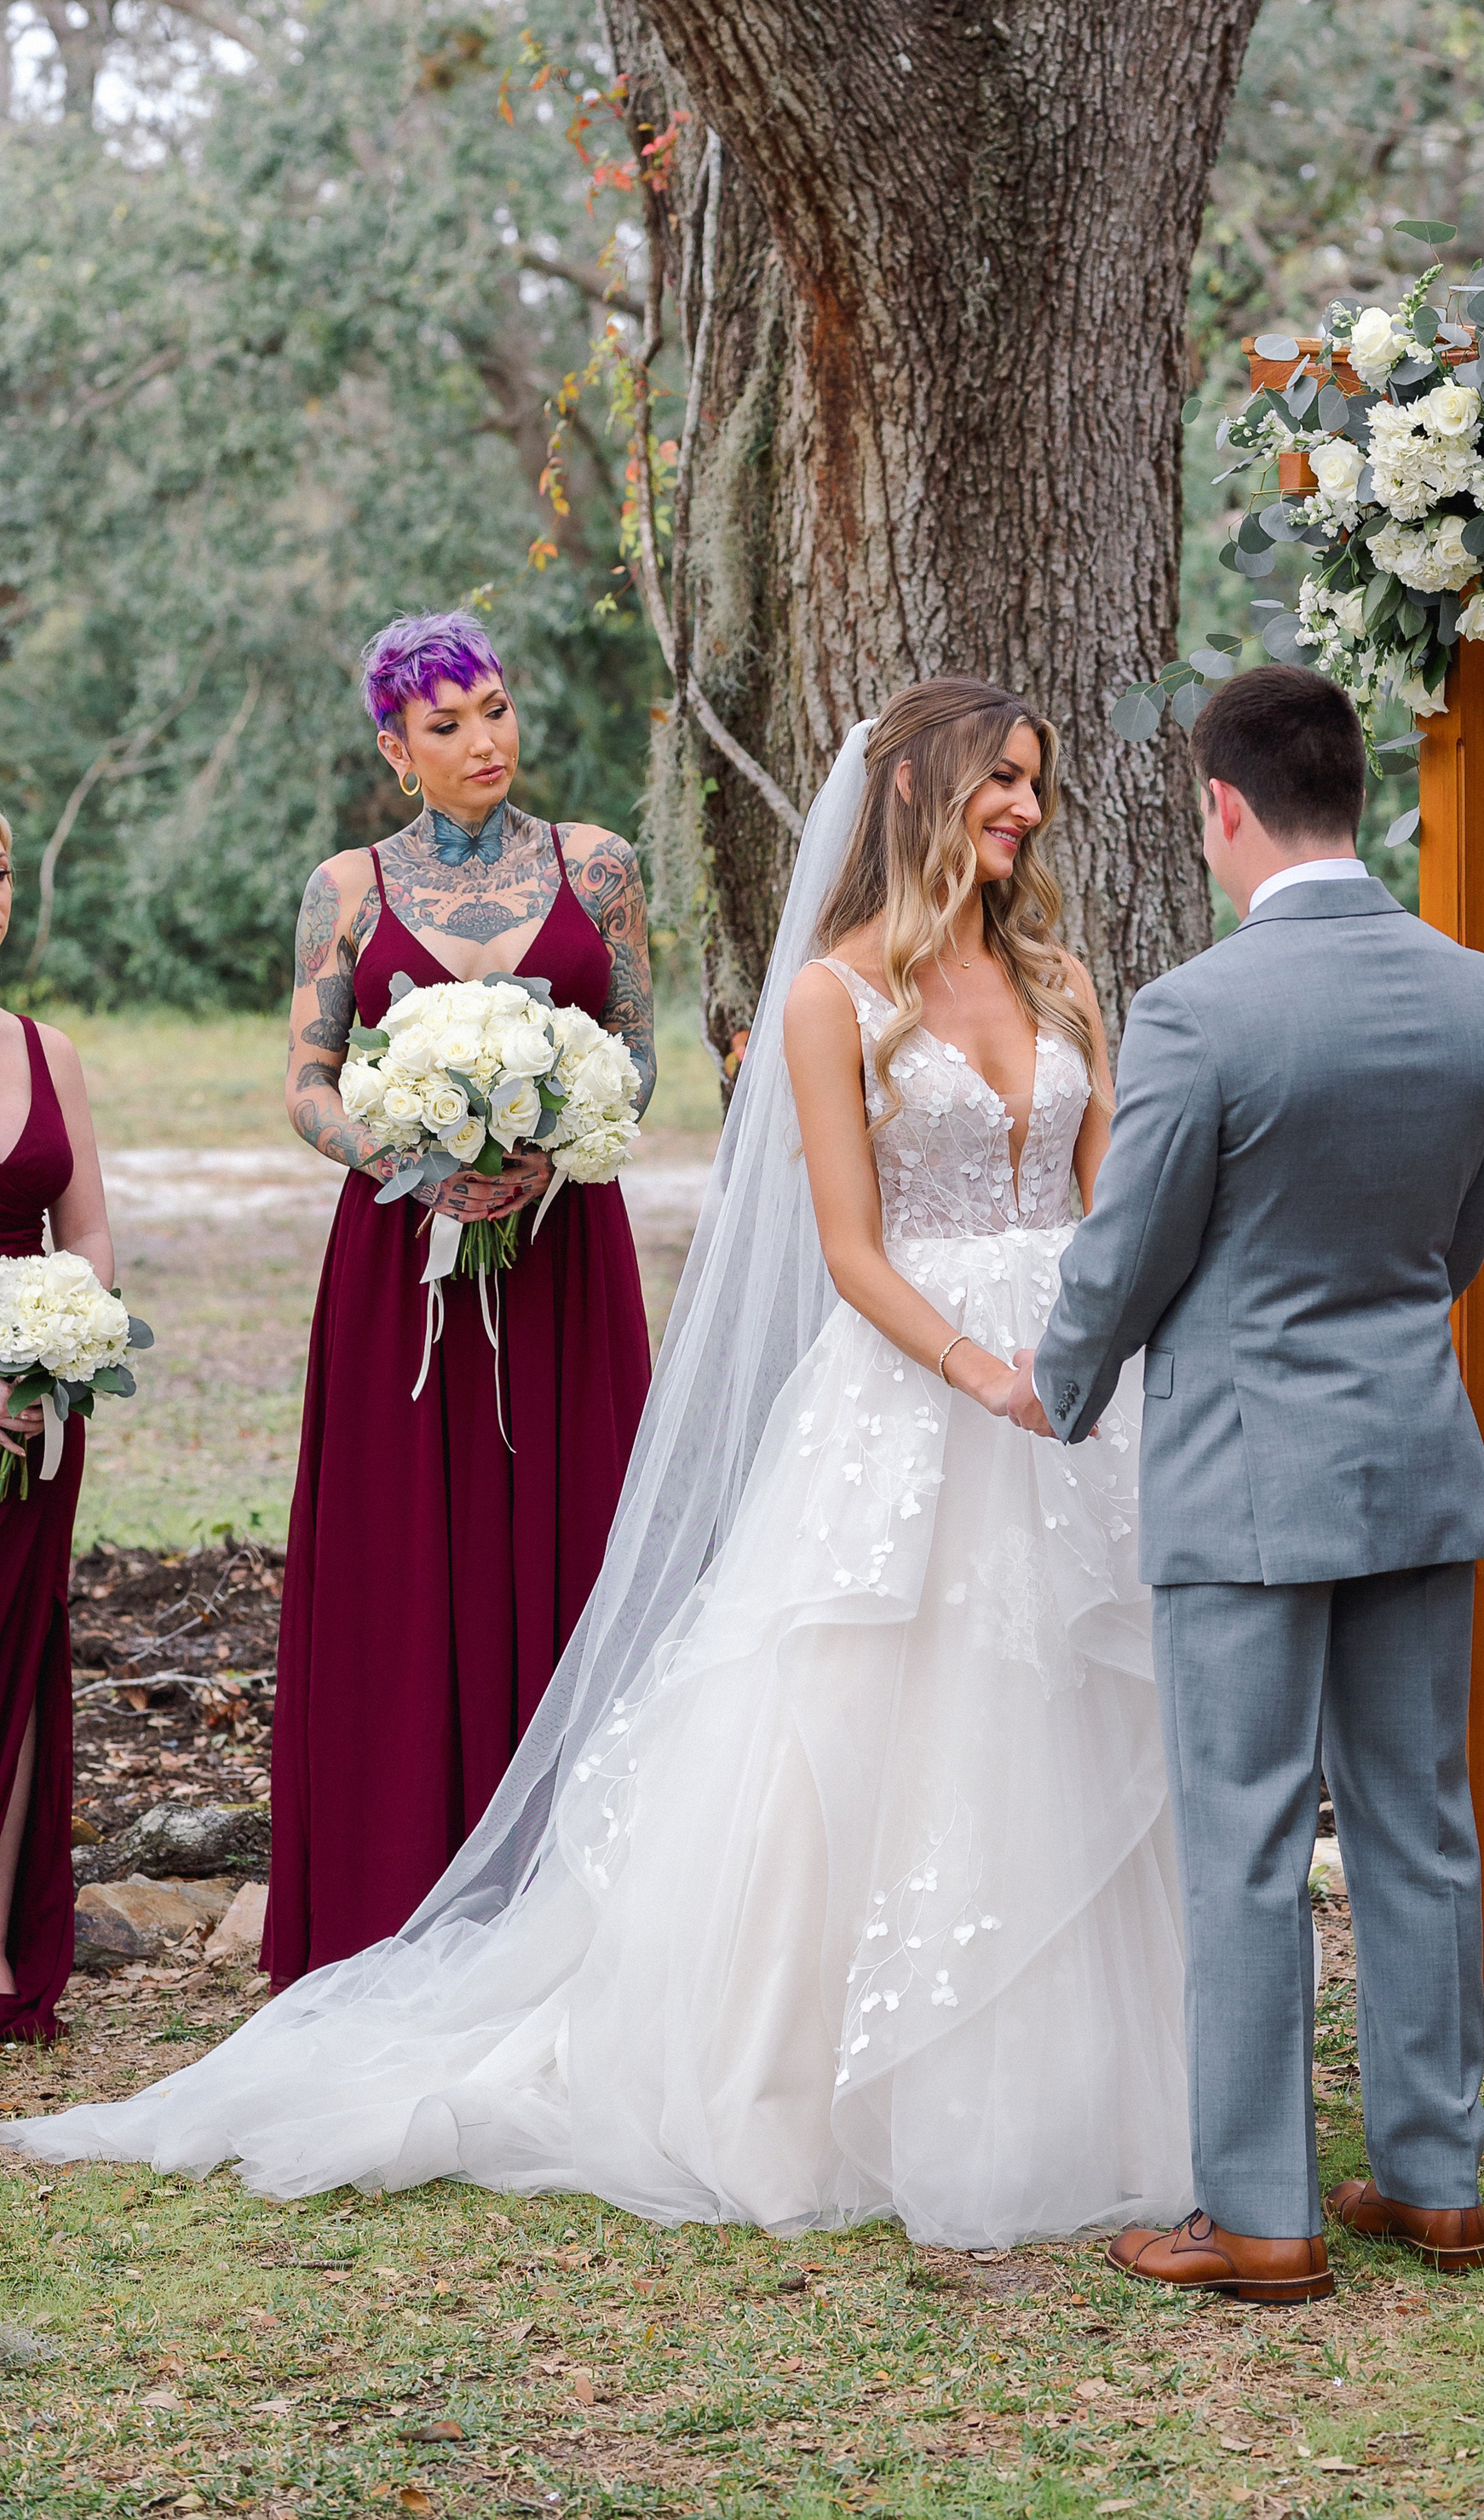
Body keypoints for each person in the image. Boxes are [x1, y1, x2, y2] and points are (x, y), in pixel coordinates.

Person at [6, 678, 1190, 2247]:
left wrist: (1108, 1355)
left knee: (1070, 1700)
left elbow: (1104, 1202)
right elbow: (848, 1247)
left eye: (1034, 786)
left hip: (1075, 1384)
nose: (1025, 811)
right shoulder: (836, 995)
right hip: (922, 1391)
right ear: (917, 794)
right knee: (885, 1707)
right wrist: (984, 1370)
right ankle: (833, 2078)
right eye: (999, 783)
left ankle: (1096, 2077)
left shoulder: (1060, 980)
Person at [1021, 665, 1484, 2304]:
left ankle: (1262, 2215)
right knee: (1420, 1832)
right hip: (1413, 1456)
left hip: (1247, 1475)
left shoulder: (1198, 1011)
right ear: (1354, 796)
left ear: (1224, 807)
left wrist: (1062, 1383)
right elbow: (1453, 1247)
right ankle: (1435, 2181)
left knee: (1242, 1840)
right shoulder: (1477, 998)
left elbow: (1134, 1246)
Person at [265, 611, 654, 1983]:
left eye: (494, 707)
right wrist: (406, 1154)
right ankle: (395, 1902)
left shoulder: (598, 868)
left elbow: (643, 1061)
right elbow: (308, 1079)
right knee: (400, 1569)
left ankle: (580, 1914)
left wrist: (555, 1142)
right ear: (395, 748)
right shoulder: (348, 889)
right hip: (400, 1269)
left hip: (564, 1265)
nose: (484, 740)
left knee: (582, 1543)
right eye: (447, 724)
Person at [0, 808, 118, 2039]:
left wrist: (53, 1351)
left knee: (21, 1650)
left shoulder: (48, 1052)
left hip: (33, 1414)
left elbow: (84, 1236)